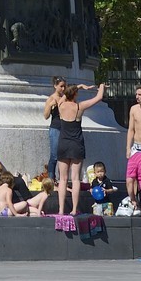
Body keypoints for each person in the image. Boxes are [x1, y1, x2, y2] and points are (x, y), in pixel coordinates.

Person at [48, 81, 106, 216]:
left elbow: (64, 96)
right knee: (75, 179)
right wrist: (102, 86)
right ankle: (74, 209)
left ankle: (61, 209)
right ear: (75, 94)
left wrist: (77, 86)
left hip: (63, 144)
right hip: (76, 144)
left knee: (62, 179)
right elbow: (98, 98)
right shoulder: (79, 106)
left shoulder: (61, 104)